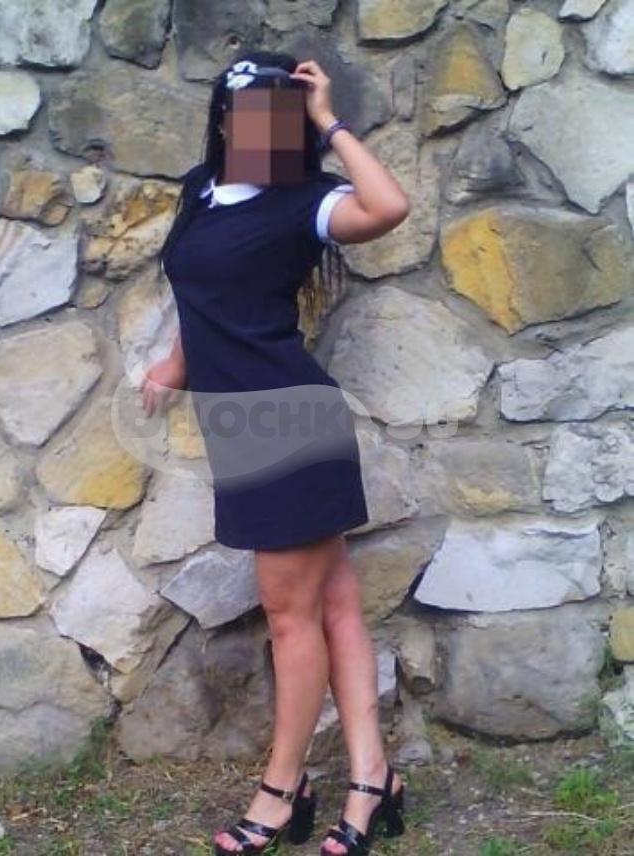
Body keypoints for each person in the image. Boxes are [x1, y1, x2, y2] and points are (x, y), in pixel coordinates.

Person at [140, 49, 411, 856]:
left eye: (280, 120)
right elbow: (203, 293)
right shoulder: (201, 190)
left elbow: (389, 206)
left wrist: (329, 120)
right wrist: (177, 365)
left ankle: (281, 790)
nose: (260, 132)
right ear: (225, 121)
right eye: (246, 116)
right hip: (246, 424)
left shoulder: (306, 201)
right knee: (334, 608)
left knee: (294, 622)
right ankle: (374, 779)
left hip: (287, 425)